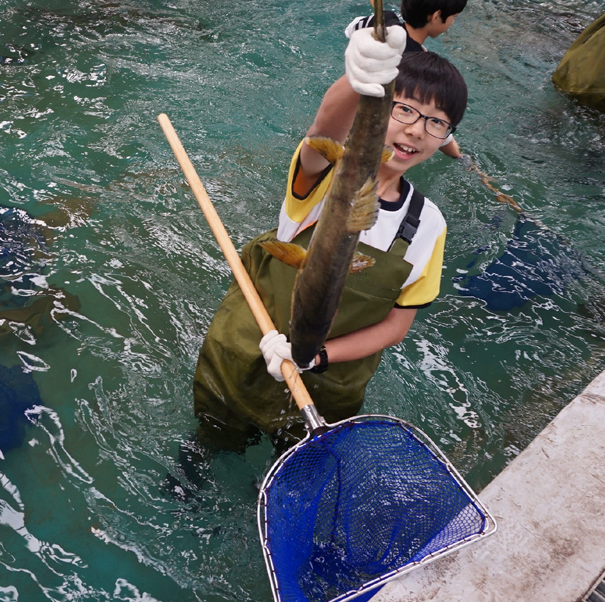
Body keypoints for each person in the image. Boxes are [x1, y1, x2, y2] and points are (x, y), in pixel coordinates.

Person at [192, 30, 466, 452]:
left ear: (446, 134)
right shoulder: (323, 178)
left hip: (328, 384)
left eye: (436, 121)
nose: (415, 131)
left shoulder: (429, 225)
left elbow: (396, 326)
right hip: (245, 353)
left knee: (294, 464)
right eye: (405, 110)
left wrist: (316, 358)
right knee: (209, 444)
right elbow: (323, 131)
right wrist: (359, 77)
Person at [346, 0, 467, 158]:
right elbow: (427, 116)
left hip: (346, 118)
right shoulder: (417, 64)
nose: (452, 23)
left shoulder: (375, 24)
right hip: (375, 145)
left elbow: (352, 28)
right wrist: (459, 156)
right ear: (436, 16)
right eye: (453, 17)